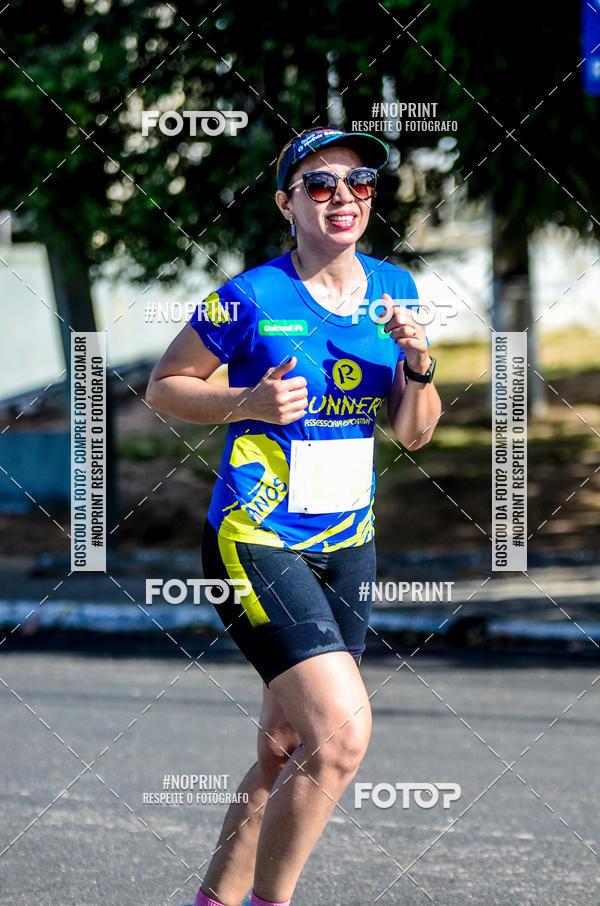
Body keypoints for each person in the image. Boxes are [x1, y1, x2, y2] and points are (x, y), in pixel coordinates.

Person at [146, 126, 442, 906]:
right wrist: (244, 400)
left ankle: (215, 902)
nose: (343, 196)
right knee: (340, 739)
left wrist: (417, 366)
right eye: (320, 183)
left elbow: (411, 432)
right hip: (258, 539)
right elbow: (165, 385)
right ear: (287, 203)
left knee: (283, 748)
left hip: (348, 543)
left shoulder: (395, 289)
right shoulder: (247, 297)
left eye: (360, 182)